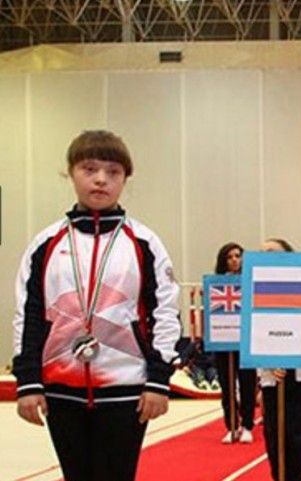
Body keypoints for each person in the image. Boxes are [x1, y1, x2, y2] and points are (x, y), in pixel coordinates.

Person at [13, 130, 181, 481]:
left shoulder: (144, 242)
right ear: (70, 173)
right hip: (61, 387)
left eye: (113, 171)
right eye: (89, 169)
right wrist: (28, 381)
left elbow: (165, 312)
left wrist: (158, 381)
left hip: (127, 387)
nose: (101, 179)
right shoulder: (46, 243)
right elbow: (28, 314)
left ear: (125, 179)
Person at [257, 238, 301, 481]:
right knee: (275, 436)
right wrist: (268, 364)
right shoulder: (254, 287)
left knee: (300, 437)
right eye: (263, 252)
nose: (267, 255)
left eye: (273, 252)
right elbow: (252, 331)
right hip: (272, 374)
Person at [211, 242, 257, 444]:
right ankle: (231, 426)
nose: (234, 260)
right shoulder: (216, 284)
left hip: (245, 340)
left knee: (247, 384)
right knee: (227, 385)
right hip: (223, 339)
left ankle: (247, 425)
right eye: (229, 257)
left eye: (238, 256)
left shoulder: (250, 282)